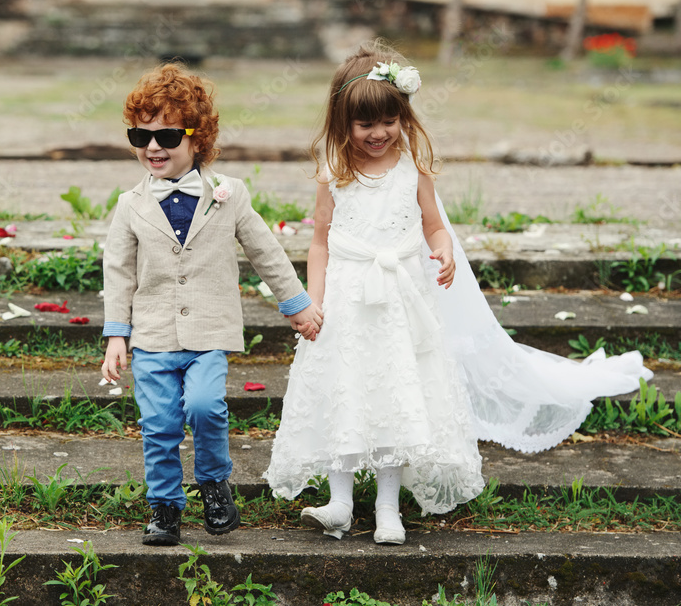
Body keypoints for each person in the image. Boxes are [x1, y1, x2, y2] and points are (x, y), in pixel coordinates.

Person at [265, 39, 652, 545]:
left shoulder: (412, 169)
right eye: (365, 125)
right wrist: (313, 302)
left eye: (389, 121)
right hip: (346, 300)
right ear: (343, 124)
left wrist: (444, 249)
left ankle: (387, 507)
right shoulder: (333, 173)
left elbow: (433, 225)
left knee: (396, 393)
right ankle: (339, 503)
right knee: (346, 391)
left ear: (403, 115)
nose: (379, 133)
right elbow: (319, 242)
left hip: (401, 304)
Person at [102, 63, 324, 547]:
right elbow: (118, 272)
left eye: (166, 135)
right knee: (158, 425)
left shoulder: (230, 195)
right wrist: (117, 334)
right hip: (155, 337)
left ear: (197, 138)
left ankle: (214, 484)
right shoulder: (130, 205)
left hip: (208, 333)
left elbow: (266, 251)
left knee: (205, 407)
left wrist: (297, 305)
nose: (152, 147)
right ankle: (164, 506)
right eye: (140, 136)